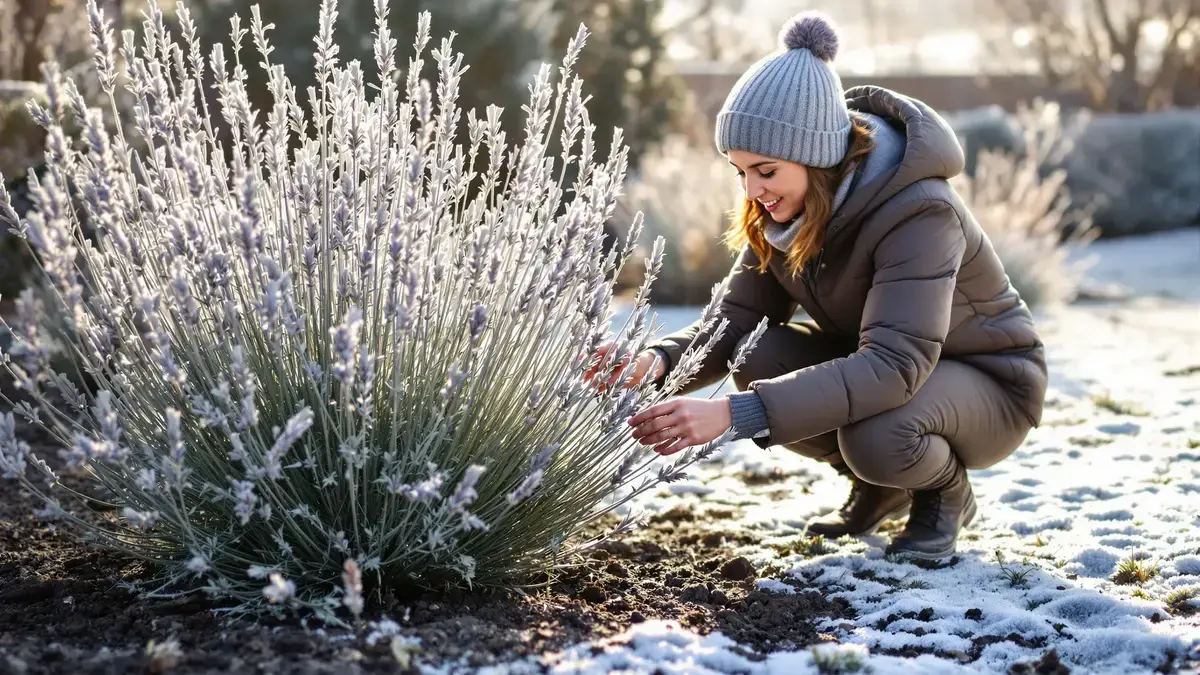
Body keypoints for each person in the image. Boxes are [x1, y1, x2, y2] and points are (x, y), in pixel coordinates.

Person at [587, 11, 1048, 560]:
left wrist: (736, 416)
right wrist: (656, 364)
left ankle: (943, 492)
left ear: (815, 156)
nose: (753, 190)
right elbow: (735, 322)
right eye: (739, 172)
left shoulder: (921, 212)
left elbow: (894, 366)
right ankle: (884, 486)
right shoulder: (781, 214)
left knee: (876, 437)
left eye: (765, 170)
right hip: (895, 374)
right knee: (752, 353)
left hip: (990, 384)